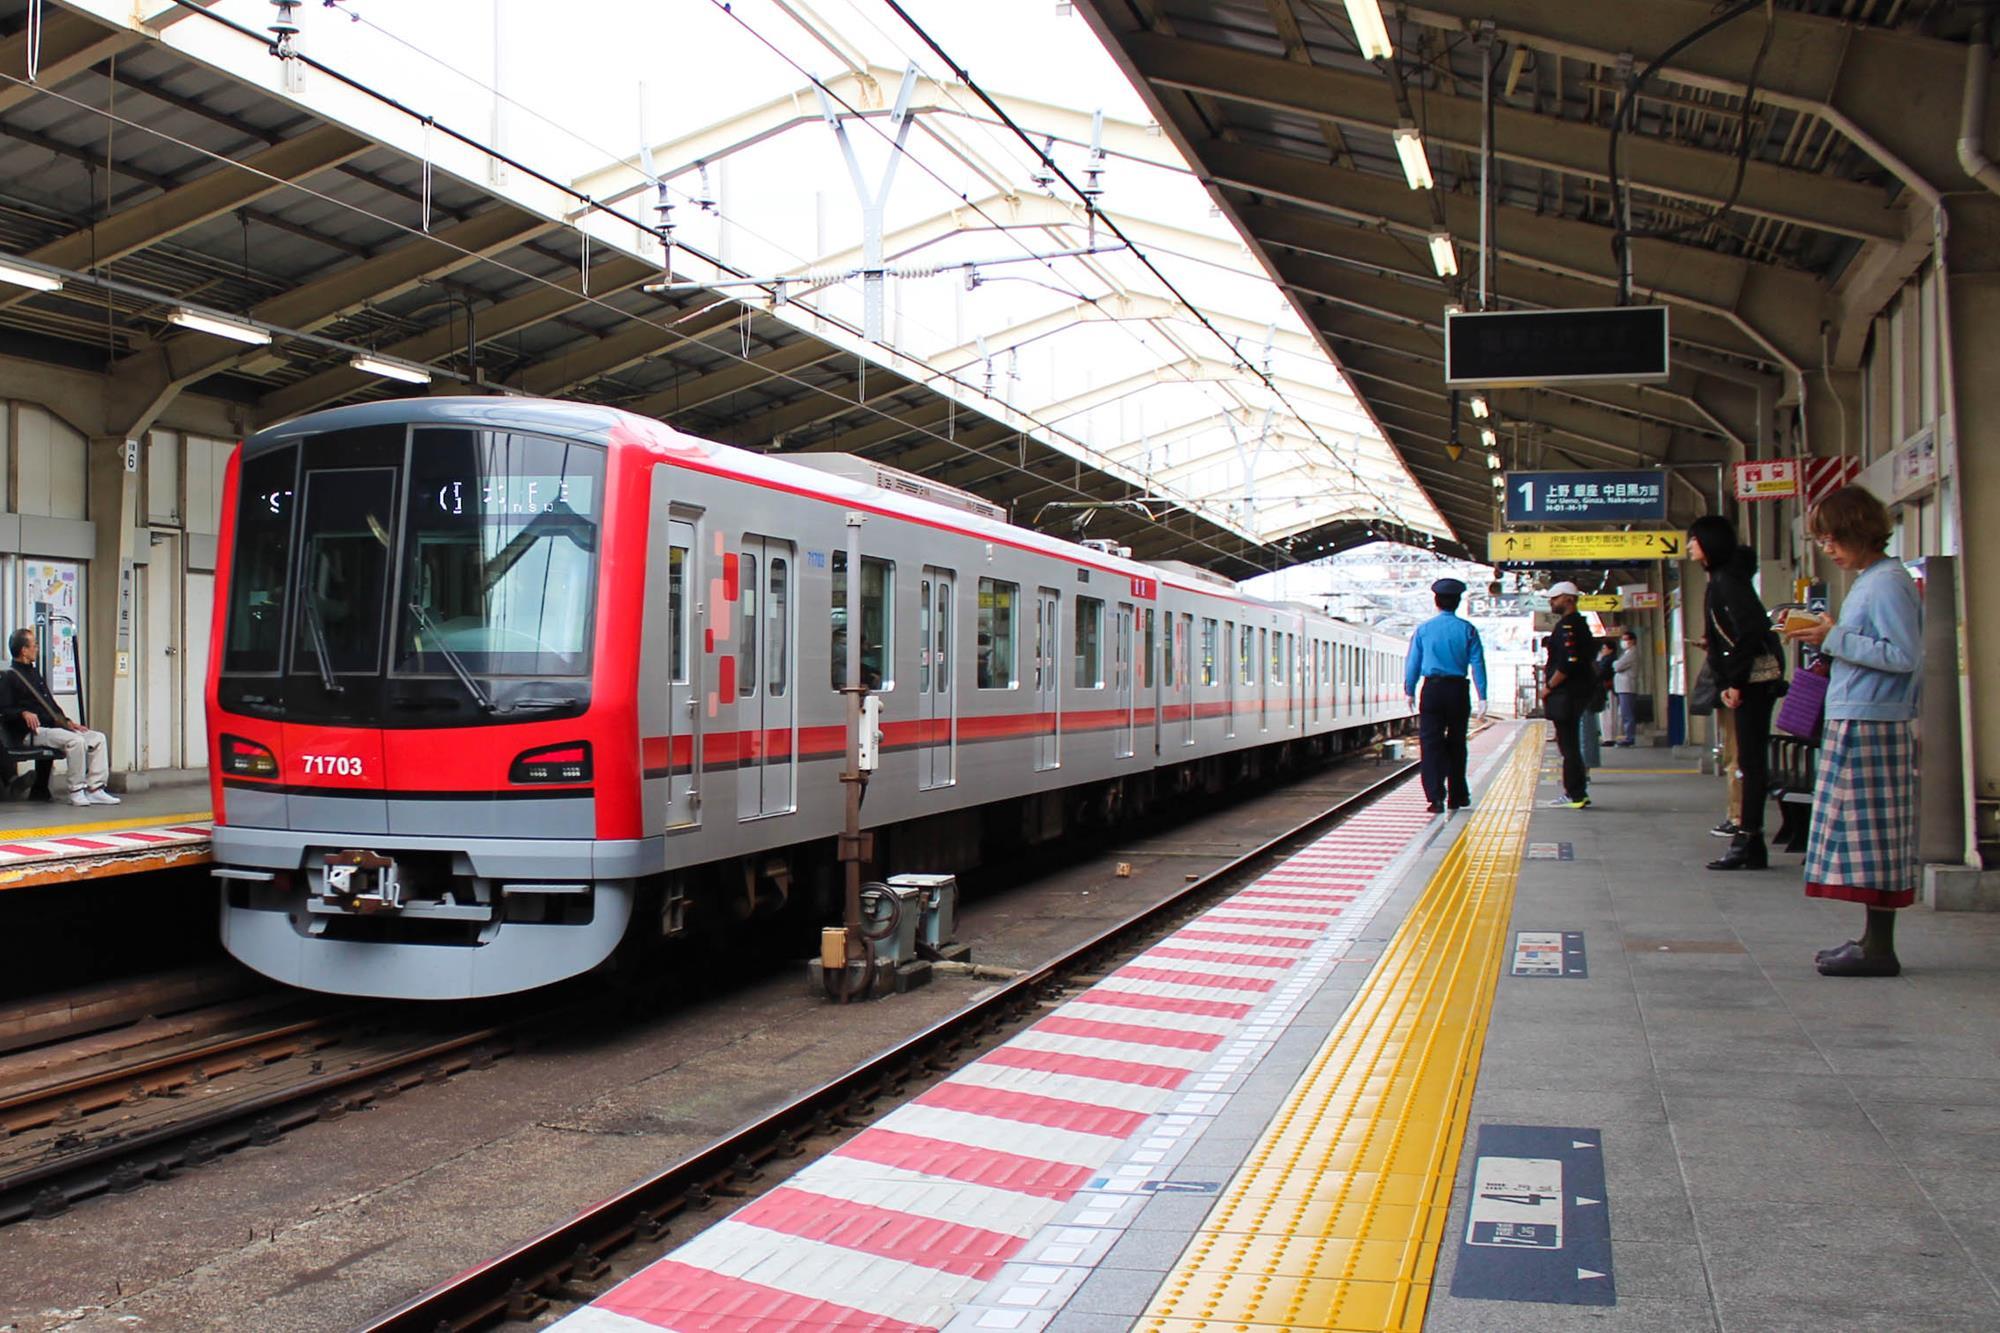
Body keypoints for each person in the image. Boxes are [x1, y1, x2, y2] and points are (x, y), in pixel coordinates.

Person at [1784, 486, 1922, 977]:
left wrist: (1834, 637)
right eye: (1822, 540)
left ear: (1861, 531)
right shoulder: (1873, 580)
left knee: (1873, 836)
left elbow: (1903, 655)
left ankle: (1880, 948)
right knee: (1865, 835)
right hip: (1862, 716)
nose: (1828, 549)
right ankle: (1871, 939)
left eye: (1833, 538)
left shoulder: (1887, 583)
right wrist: (1831, 634)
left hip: (1873, 721)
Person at [1690, 516, 1779, 870]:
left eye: (1694, 540)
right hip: (1747, 683)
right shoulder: (1724, 578)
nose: (1689, 546)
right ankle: (1750, 840)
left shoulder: (1727, 580)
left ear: (1709, 543)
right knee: (1748, 760)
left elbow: (1752, 629)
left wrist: (1735, 682)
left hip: (1751, 684)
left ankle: (1748, 839)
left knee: (1750, 762)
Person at [0, 627, 117, 807]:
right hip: (32, 731)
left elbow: (51, 706)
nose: (37, 648)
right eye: (34, 645)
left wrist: (68, 722)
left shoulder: (34, 674)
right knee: (75, 741)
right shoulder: (10, 677)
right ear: (24, 650)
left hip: (52, 728)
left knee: (98, 738)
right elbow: (5, 709)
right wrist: (22, 713)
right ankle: (76, 790)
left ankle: (95, 788)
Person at [1403, 577, 1488, 816]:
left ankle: (1435, 798)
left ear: (1436, 601)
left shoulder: (1423, 630)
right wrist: (1482, 695)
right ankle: (1457, 796)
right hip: (1458, 690)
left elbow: (1413, 663)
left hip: (1432, 690)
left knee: (1431, 745)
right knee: (1457, 743)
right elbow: (1478, 664)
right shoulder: (1468, 629)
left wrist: (1409, 690)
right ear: (1458, 602)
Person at [1538, 582, 1596, 808]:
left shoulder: (1567, 627)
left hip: (1567, 693)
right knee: (1569, 744)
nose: (1551, 602)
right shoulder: (1581, 624)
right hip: (1577, 692)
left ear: (1568, 599)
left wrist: (1549, 686)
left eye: (1555, 598)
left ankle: (1575, 794)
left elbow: (1568, 662)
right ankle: (1577, 791)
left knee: (1568, 745)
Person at [1612, 630, 1641, 746]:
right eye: (1622, 639)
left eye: (1626, 639)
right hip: (1623, 687)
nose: (1623, 642)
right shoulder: (1627, 652)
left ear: (1633, 641)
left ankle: (1630, 737)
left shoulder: (1632, 653)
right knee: (1625, 713)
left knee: (1627, 713)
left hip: (1627, 686)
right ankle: (1628, 736)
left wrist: (1615, 663)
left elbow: (1618, 666)